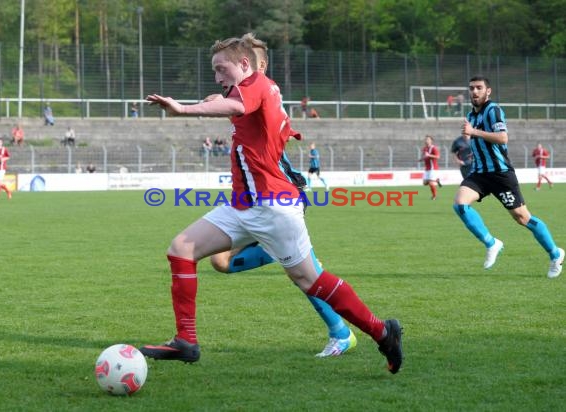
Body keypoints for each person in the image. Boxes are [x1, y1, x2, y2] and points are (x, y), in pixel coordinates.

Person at [140, 35, 403, 373]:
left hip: (274, 206)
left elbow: (237, 106)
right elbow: (240, 111)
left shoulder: (256, 85)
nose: (218, 78)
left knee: (310, 280)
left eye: (222, 70)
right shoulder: (257, 89)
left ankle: (383, 333)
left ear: (245, 65)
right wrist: (215, 104)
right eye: (215, 72)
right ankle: (186, 341)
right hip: (243, 206)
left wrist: (184, 109)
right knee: (181, 248)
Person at [203, 34, 357, 358]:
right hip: (253, 200)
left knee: (308, 277)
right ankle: (282, 255)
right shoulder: (247, 94)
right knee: (220, 262)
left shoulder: (263, 94)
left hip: (279, 197)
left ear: (261, 67)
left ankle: (342, 333)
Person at [453, 75, 564, 279]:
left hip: (500, 174)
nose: (474, 92)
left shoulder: (493, 110)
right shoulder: (472, 114)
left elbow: (503, 137)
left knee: (522, 218)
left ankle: (555, 253)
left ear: (488, 91)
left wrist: (473, 132)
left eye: (479, 88)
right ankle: (491, 242)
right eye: (471, 88)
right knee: (460, 204)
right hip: (479, 173)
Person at [419, 135, 442, 200]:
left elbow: (438, 157)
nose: (426, 141)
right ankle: (436, 180)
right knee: (424, 183)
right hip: (427, 168)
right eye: (426, 139)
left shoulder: (434, 148)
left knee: (431, 183)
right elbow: (424, 156)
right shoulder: (424, 148)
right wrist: (421, 159)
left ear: (431, 141)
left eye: (428, 139)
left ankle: (434, 196)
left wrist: (429, 155)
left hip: (433, 168)